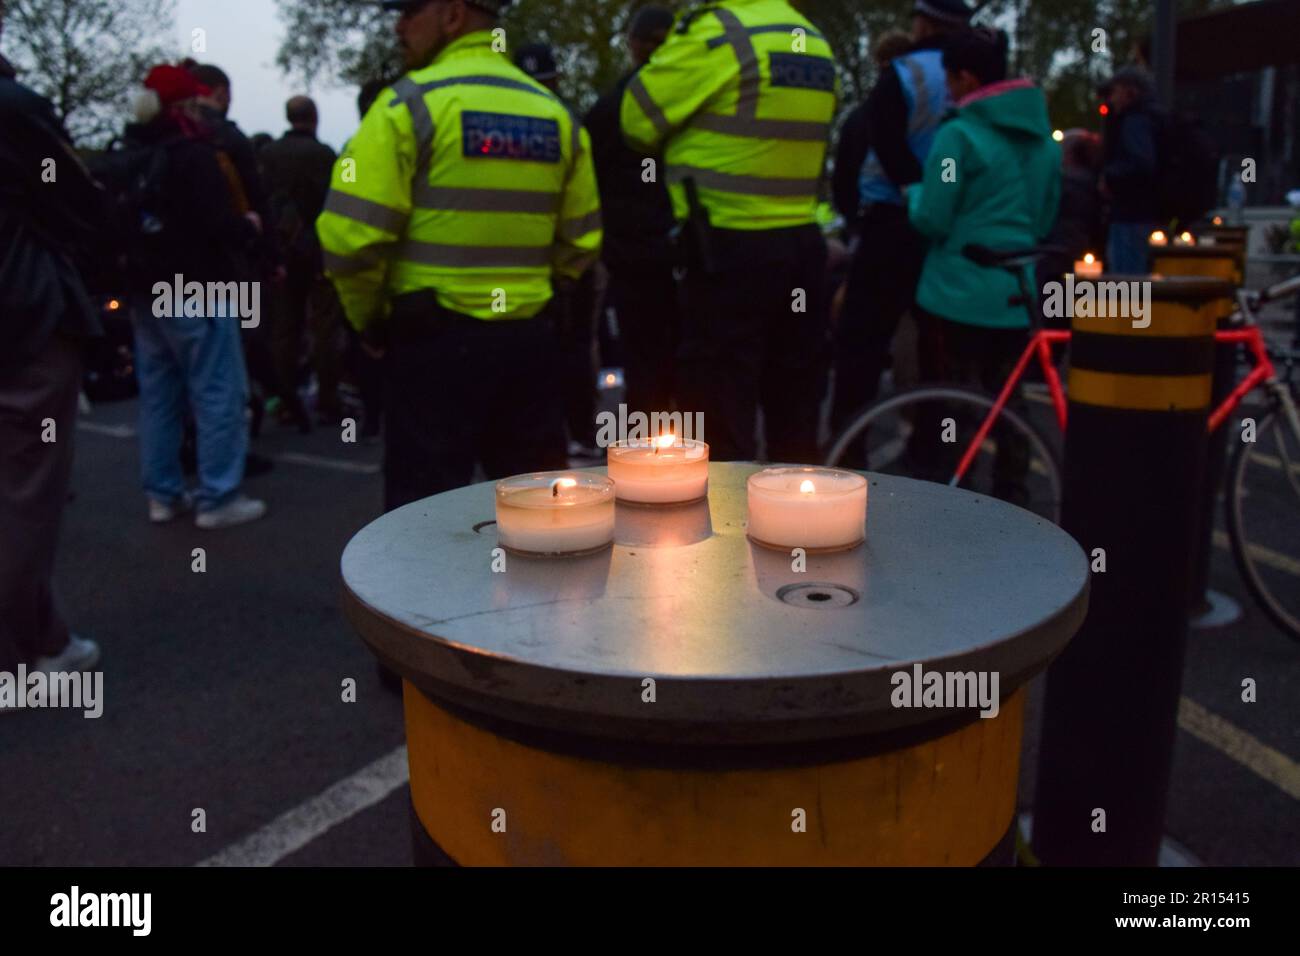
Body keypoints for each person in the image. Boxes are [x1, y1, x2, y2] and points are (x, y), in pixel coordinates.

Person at [318, 0, 602, 511]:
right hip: (529, 343)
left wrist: (370, 322)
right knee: (538, 519)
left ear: (451, 16)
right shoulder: (555, 113)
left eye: (408, 11)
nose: (399, 26)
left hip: (432, 347)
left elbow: (350, 238)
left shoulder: (406, 106)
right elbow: (582, 239)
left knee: (424, 521)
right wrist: (546, 297)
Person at [620, 0, 837, 463]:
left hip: (727, 250)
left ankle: (729, 525)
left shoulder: (717, 35)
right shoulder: (811, 39)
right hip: (802, 245)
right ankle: (798, 523)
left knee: (718, 406)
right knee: (795, 408)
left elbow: (635, 119)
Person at [906, 27, 1060, 503]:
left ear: (967, 79)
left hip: (957, 289)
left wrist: (912, 196)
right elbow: (1044, 217)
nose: (948, 89)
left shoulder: (957, 135)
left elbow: (933, 216)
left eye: (950, 79)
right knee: (1009, 399)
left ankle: (960, 500)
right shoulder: (1043, 144)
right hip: (1016, 291)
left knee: (959, 402)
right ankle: (1015, 495)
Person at [0, 23, 105, 688]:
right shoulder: (16, 109)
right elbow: (79, 203)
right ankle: (16, 654)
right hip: (20, 319)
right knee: (24, 496)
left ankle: (43, 635)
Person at [124, 64, 268, 528]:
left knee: (159, 394)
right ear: (186, 106)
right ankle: (218, 497)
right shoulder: (194, 154)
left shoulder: (128, 153)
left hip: (144, 290)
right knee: (217, 392)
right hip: (200, 288)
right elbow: (216, 223)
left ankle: (163, 495)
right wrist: (247, 227)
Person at [829, 0, 972, 463]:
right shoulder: (973, 76)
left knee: (862, 347)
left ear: (923, 23)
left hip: (890, 221)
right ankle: (935, 452)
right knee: (936, 347)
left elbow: (880, 141)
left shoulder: (904, 72)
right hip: (949, 226)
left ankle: (846, 453)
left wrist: (905, 191)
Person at [585, 5, 679, 421]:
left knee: (643, 362)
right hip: (693, 252)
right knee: (694, 365)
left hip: (632, 253)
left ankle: (648, 459)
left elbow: (590, 185)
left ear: (631, 45)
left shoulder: (610, 108)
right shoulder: (696, 100)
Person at [515, 40, 605, 455]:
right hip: (563, 271)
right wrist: (571, 271)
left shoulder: (510, 117)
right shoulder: (564, 121)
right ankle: (580, 432)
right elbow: (583, 217)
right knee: (574, 350)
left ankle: (569, 432)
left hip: (519, 272)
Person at [260, 96, 345, 430]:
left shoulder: (268, 155)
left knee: (285, 329)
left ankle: (285, 401)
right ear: (315, 117)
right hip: (319, 252)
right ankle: (327, 401)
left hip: (283, 253)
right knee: (325, 328)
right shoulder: (324, 155)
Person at [1098, 66, 1159, 274]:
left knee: (1125, 284)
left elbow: (1141, 163)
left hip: (1130, 214)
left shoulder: (1135, 122)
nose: (1112, 99)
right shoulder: (1149, 118)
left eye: (1115, 92)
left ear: (1129, 92)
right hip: (1139, 213)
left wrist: (1109, 176)